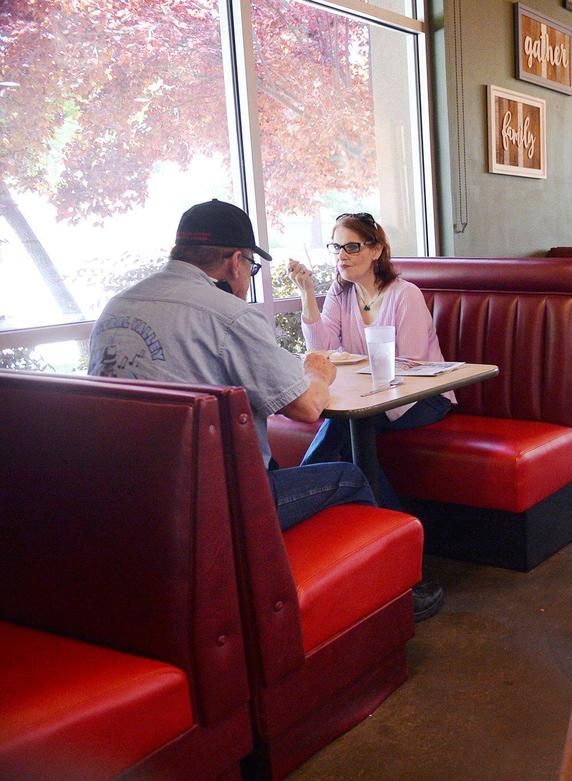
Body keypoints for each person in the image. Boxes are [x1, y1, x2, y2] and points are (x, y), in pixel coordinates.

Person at [88, 199, 376, 533]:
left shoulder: (116, 306)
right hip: (214, 505)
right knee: (351, 476)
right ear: (237, 262)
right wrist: (317, 372)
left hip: (127, 499)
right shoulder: (230, 315)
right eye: (253, 267)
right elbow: (307, 407)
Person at [287, 211, 453, 621]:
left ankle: (298, 515)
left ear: (376, 250)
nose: (342, 255)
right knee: (347, 430)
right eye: (336, 246)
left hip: (423, 398)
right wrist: (308, 291)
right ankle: (391, 561)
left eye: (352, 246)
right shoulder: (341, 295)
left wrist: (356, 377)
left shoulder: (404, 294)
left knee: (343, 427)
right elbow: (323, 346)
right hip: (373, 399)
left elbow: (411, 365)